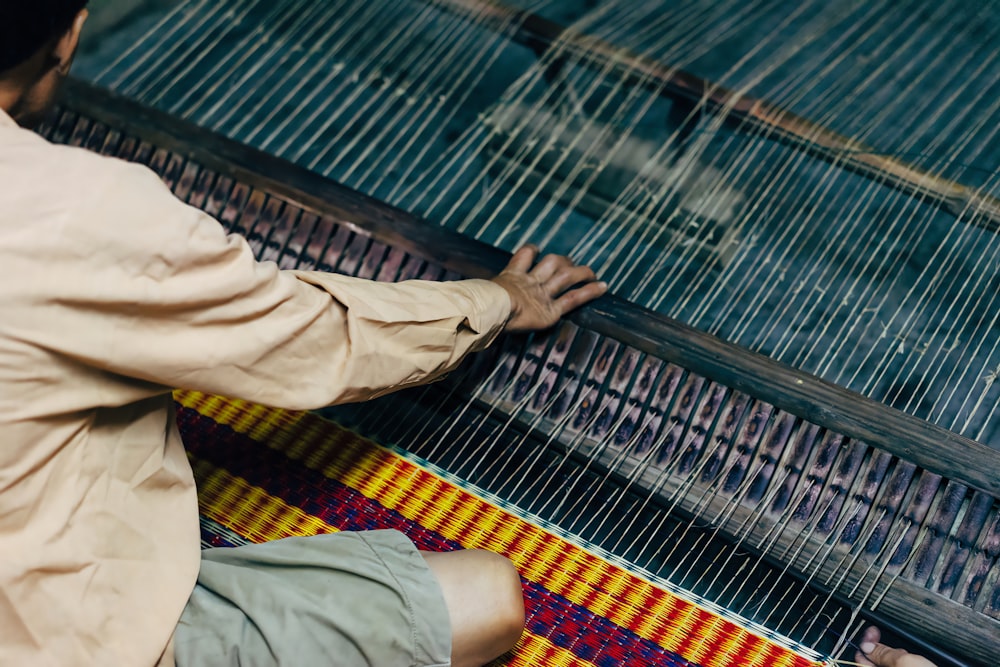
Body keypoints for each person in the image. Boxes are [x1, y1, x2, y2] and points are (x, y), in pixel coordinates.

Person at [0, 3, 948, 667]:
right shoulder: (82, 212)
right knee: (492, 598)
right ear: (72, 35)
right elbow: (316, 343)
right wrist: (495, 299)